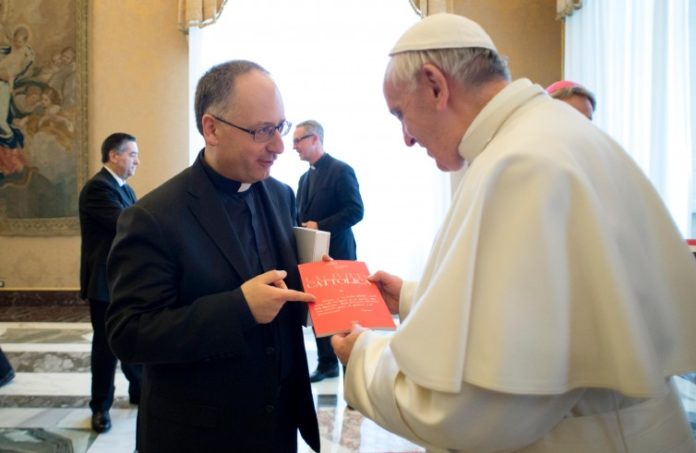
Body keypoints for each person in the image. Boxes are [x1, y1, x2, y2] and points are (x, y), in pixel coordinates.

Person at [332, 13, 696, 452]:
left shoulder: (521, 163)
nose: (407, 138)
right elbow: (547, 307)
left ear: (435, 85)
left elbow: (485, 409)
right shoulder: (547, 135)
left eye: (400, 114)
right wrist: (412, 295)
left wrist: (364, 358)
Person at [105, 60, 320, 452]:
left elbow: (281, 292)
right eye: (262, 131)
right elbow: (129, 334)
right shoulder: (152, 217)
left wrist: (319, 285)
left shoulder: (280, 195)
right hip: (200, 435)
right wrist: (239, 308)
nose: (278, 146)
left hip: (277, 427)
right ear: (211, 128)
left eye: (281, 127)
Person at [78, 132, 143, 433]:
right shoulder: (97, 189)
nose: (136, 161)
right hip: (104, 283)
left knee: (129, 334)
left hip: (124, 280)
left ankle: (138, 389)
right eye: (131, 154)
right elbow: (126, 225)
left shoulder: (125, 189)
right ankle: (100, 408)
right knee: (105, 346)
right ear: (114, 155)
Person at [293, 120, 364, 383]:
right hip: (313, 257)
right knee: (318, 311)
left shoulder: (341, 170)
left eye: (298, 140)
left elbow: (356, 211)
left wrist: (320, 226)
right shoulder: (304, 177)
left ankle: (351, 375)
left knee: (343, 317)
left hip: (339, 255)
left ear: (314, 139)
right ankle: (326, 364)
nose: (293, 147)